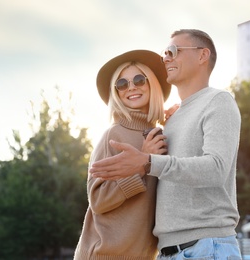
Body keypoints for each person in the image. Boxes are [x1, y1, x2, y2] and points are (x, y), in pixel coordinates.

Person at [89, 29, 242, 259]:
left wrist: (149, 162)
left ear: (202, 56)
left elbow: (217, 169)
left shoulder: (218, 101)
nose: (166, 58)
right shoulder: (168, 123)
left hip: (207, 247)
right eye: (165, 53)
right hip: (168, 252)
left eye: (173, 51)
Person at [73, 49, 171, 259]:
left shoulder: (161, 136)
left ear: (151, 83)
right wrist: (141, 164)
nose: (131, 87)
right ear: (116, 92)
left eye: (138, 79)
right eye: (122, 84)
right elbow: (97, 200)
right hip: (104, 255)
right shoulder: (113, 136)